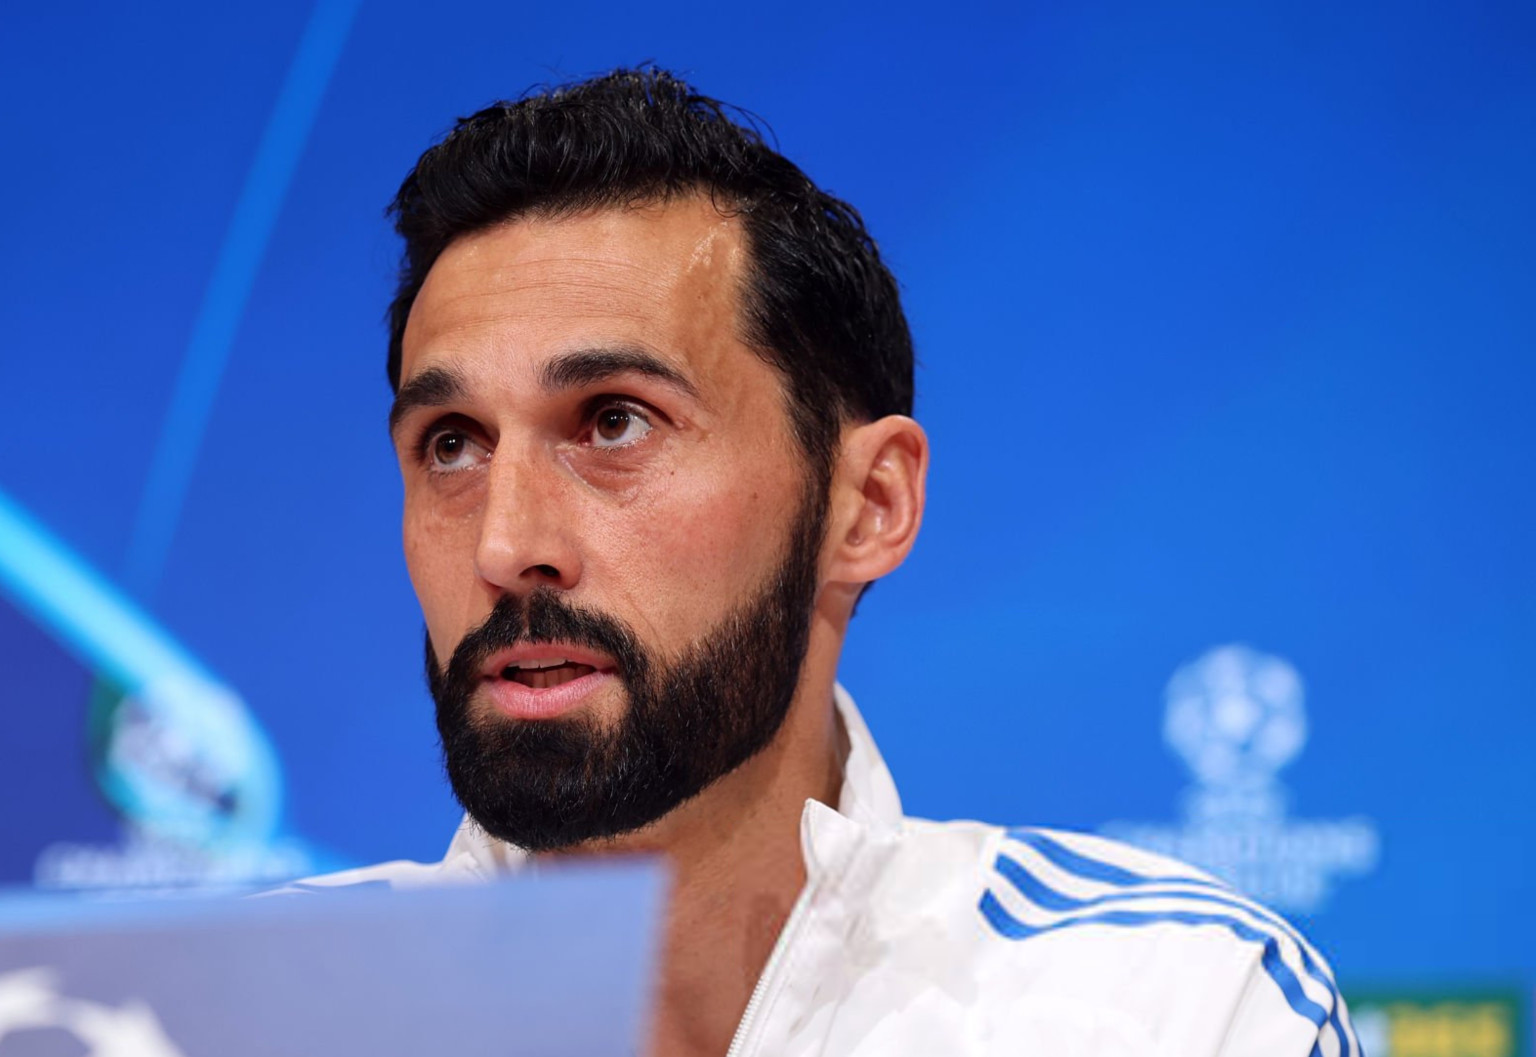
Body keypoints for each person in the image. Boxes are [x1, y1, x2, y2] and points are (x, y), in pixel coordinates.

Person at [291, 67, 1355, 1057]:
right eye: (452, 445)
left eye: (614, 422)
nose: (505, 544)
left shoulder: (1175, 1007)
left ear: (867, 505)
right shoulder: (240, 1016)